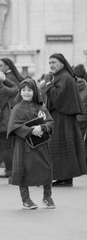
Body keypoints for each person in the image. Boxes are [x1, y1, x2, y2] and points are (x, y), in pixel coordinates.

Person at [39, 53, 87, 187]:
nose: (51, 65)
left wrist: (48, 84)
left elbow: (58, 98)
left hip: (62, 117)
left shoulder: (65, 77)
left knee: (61, 146)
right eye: (50, 63)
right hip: (60, 116)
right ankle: (64, 177)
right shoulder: (61, 76)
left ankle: (65, 178)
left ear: (62, 63)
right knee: (62, 146)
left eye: (54, 62)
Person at [7, 77, 55, 210]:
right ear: (20, 92)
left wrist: (42, 128)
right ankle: (26, 199)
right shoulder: (17, 108)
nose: (26, 92)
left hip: (41, 144)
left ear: (35, 91)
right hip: (24, 145)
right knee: (24, 170)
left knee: (46, 168)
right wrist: (30, 131)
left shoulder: (41, 107)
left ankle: (47, 196)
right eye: (23, 90)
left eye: (29, 90)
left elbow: (50, 122)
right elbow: (13, 126)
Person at [0, 57, 23, 178]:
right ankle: (10, 170)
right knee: (10, 145)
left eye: (0, 65)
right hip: (13, 116)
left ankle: (10, 171)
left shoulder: (8, 79)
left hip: (8, 116)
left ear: (8, 66)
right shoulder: (12, 78)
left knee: (7, 146)